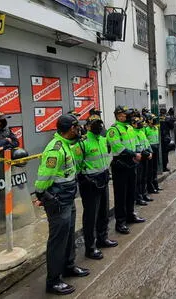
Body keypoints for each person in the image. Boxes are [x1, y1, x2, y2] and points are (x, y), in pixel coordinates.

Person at [34, 114, 89, 295]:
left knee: (68, 236)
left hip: (68, 198)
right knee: (58, 240)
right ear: (70, 129)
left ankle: (68, 266)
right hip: (58, 201)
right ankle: (53, 280)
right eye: (76, 127)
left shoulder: (67, 145)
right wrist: (42, 195)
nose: (79, 129)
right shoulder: (55, 149)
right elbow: (43, 177)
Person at [77, 115, 117, 261]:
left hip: (103, 179)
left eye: (99, 124)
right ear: (87, 126)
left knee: (103, 212)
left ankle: (103, 238)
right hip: (90, 184)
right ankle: (90, 247)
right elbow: (77, 166)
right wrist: (85, 179)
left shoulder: (103, 140)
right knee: (90, 217)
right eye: (94, 124)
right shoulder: (82, 143)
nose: (98, 127)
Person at [107, 107, 145, 235]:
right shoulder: (114, 129)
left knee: (131, 192)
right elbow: (117, 147)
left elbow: (135, 142)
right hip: (121, 164)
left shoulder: (129, 128)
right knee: (121, 195)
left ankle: (130, 215)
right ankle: (120, 222)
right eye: (125, 115)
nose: (128, 117)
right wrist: (133, 154)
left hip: (131, 163)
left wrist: (138, 152)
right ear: (118, 116)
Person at [132, 114, 153, 206]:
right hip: (138, 157)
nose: (140, 124)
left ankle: (144, 194)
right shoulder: (132, 133)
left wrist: (150, 152)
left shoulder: (141, 132)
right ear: (133, 124)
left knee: (144, 176)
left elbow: (147, 143)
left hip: (145, 156)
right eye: (138, 123)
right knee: (138, 179)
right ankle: (138, 197)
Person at [145, 113, 162, 194]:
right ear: (148, 120)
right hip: (150, 150)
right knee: (150, 169)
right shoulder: (146, 129)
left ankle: (156, 185)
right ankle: (150, 187)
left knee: (155, 168)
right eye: (153, 119)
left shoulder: (155, 128)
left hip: (156, 149)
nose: (154, 120)